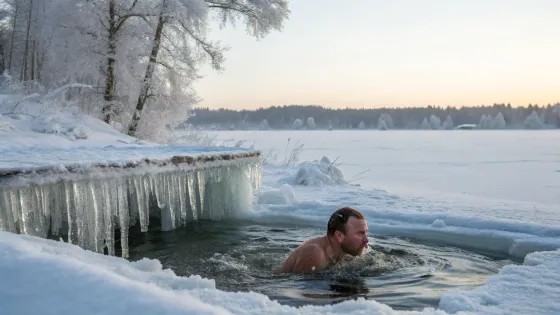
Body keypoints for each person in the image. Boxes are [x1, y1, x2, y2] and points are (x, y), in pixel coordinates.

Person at [274, 207, 369, 274]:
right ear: (339, 236)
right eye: (359, 233)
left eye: (365, 232)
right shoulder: (314, 253)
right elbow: (297, 293)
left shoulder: (346, 251)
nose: (366, 240)